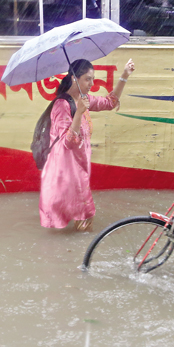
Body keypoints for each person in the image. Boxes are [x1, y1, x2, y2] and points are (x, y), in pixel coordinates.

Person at [40, 58, 135, 231]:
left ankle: (74, 252)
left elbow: (110, 102)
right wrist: (79, 113)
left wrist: (124, 76)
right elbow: (68, 142)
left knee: (79, 221)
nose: (92, 83)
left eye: (93, 78)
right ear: (74, 79)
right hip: (65, 170)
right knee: (84, 220)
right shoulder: (61, 105)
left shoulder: (85, 99)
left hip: (78, 166)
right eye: (87, 79)